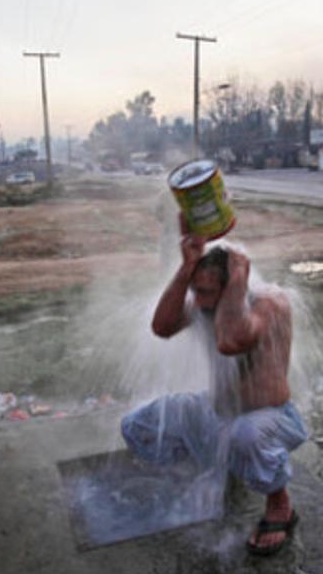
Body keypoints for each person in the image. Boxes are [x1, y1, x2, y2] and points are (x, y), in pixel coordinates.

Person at [120, 219, 307, 556]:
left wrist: (238, 278)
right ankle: (214, 468)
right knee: (139, 425)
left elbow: (232, 341)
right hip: (217, 410)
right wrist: (186, 268)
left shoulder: (269, 303)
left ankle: (280, 503)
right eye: (196, 290)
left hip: (269, 420)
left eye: (206, 292)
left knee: (245, 436)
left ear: (234, 284)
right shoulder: (205, 304)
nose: (199, 301)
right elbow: (162, 327)